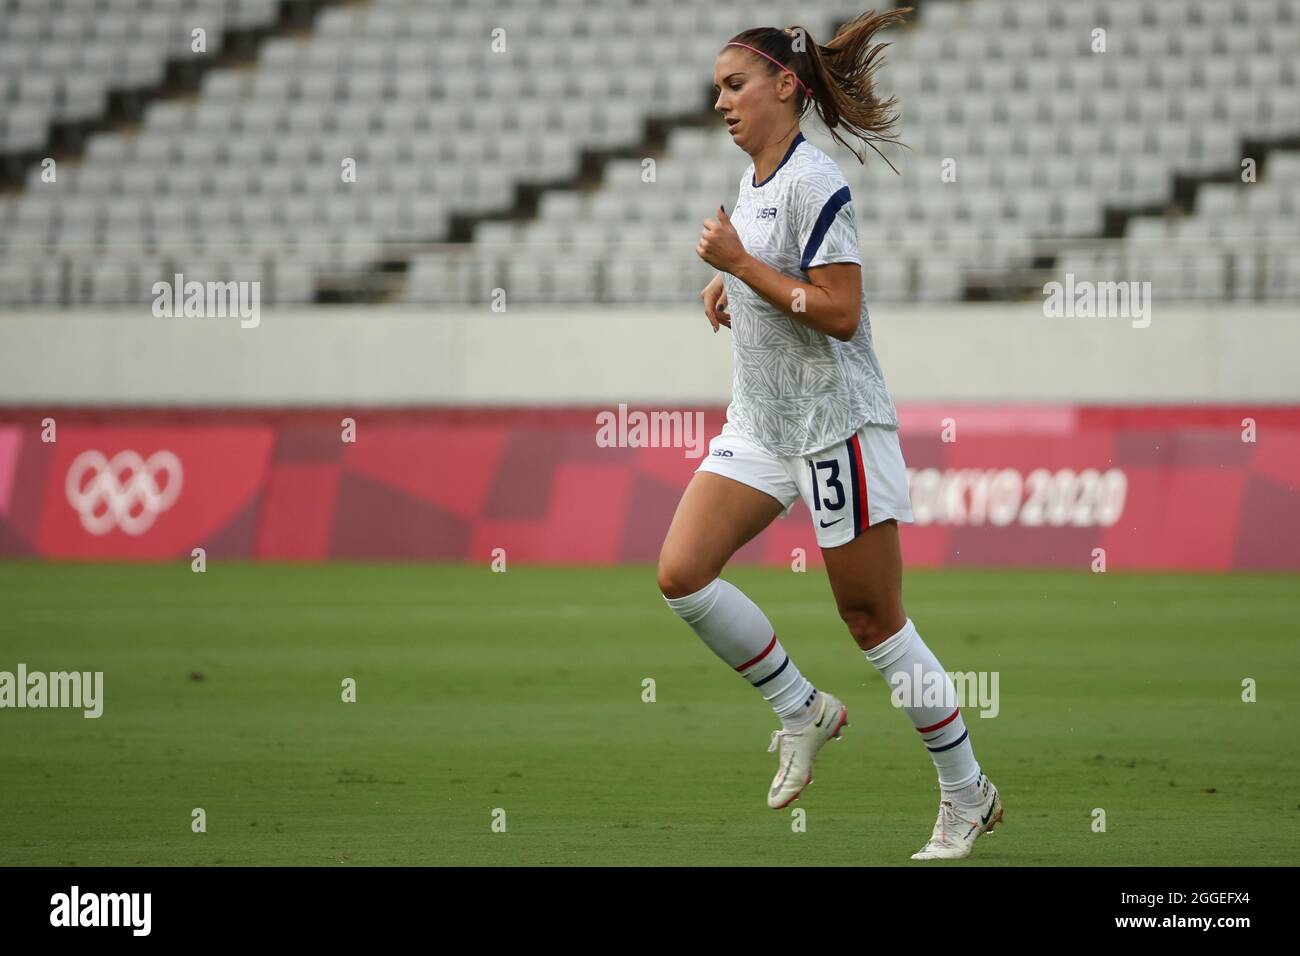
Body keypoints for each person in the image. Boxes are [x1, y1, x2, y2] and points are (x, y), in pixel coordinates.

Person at [656, 10, 1003, 860]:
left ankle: (968, 794)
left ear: (786, 86)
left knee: (873, 620)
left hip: (834, 425)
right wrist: (737, 290)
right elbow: (786, 283)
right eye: (715, 91)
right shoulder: (758, 178)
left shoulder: (816, 182)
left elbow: (841, 314)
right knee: (681, 573)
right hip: (763, 420)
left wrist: (741, 268)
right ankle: (801, 707)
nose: (721, 104)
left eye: (734, 85)